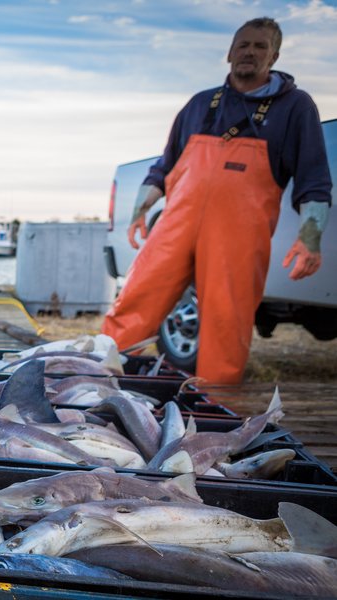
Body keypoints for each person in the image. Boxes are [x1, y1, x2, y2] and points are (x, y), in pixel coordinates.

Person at [102, 17, 331, 385]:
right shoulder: (199, 104)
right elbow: (165, 167)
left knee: (227, 319)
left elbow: (315, 181)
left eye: (260, 46)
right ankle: (91, 378)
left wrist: (311, 237)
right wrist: (141, 210)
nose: (250, 53)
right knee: (135, 298)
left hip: (238, 237)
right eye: (243, 45)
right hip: (175, 227)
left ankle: (216, 403)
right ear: (229, 52)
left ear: (274, 56)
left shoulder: (296, 107)